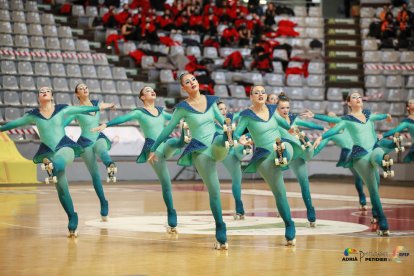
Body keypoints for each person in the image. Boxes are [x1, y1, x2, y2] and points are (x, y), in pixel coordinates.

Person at [0, 87, 114, 237]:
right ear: (39, 97)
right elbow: (11, 125)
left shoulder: (62, 109)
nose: (44, 92)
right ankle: (72, 215)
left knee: (59, 160)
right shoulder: (33, 115)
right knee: (61, 189)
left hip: (65, 146)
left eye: (47, 91)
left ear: (52, 96)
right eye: (41, 91)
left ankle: (52, 166)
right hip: (48, 150)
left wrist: (100, 107)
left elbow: (87, 109)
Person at [148, 73, 230, 250]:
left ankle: (229, 143)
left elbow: (224, 123)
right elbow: (168, 129)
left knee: (221, 137)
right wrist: (154, 148)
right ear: (183, 88)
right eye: (187, 82)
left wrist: (239, 136)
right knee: (214, 191)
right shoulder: (182, 108)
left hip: (217, 143)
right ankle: (220, 226)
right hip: (200, 150)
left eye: (193, 79)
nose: (192, 82)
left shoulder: (210, 101)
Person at [92, 86, 185, 232]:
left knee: (174, 142)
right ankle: (171, 211)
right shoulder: (139, 112)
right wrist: (106, 124)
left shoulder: (161, 112)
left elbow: (175, 117)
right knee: (166, 182)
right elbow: (123, 118)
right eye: (147, 91)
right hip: (152, 149)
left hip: (165, 142)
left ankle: (183, 141)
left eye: (152, 90)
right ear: (142, 97)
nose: (152, 91)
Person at [313, 92, 393, 236]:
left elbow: (379, 116)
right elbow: (334, 129)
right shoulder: (346, 120)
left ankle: (385, 162)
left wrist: (386, 116)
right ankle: (382, 221)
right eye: (354, 97)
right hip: (360, 155)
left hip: (373, 150)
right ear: (349, 103)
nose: (358, 99)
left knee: (379, 152)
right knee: (373, 189)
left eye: (359, 97)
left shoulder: (369, 115)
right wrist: (321, 136)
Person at [233, 85, 299, 246]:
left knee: (286, 146)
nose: (261, 94)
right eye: (257, 93)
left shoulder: (272, 110)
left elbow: (287, 126)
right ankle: (289, 223)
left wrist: (291, 125)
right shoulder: (247, 116)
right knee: (280, 193)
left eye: (263, 92)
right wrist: (240, 139)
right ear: (251, 97)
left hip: (280, 148)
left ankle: (281, 155)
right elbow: (236, 133)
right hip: (263, 156)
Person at [64, 83, 116, 221]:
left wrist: (111, 105)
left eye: (86, 87)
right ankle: (103, 202)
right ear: (77, 94)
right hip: (85, 142)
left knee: (102, 148)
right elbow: (65, 122)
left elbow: (106, 105)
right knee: (95, 175)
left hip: (98, 136)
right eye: (80, 88)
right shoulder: (77, 110)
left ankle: (110, 164)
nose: (84, 89)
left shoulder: (96, 103)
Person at [301, 110, 367, 210]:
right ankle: (363, 197)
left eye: (333, 120)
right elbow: (320, 146)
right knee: (359, 174)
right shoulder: (330, 133)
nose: (332, 123)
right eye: (330, 122)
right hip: (348, 154)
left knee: (358, 177)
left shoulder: (344, 124)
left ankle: (362, 199)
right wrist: (309, 155)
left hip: (357, 149)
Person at [277, 93, 322, 226]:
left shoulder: (293, 119)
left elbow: (312, 125)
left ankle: (310, 210)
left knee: (304, 183)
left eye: (287, 108)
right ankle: (286, 208)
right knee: (295, 184)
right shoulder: (274, 121)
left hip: (300, 154)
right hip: (287, 154)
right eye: (282, 108)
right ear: (277, 109)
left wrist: (325, 129)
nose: (285, 110)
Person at [216, 101, 245, 219]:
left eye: (224, 109)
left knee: (238, 179)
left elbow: (240, 114)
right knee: (236, 177)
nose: (223, 111)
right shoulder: (213, 125)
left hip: (235, 148)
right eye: (220, 109)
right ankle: (239, 207)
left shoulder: (229, 121)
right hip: (225, 152)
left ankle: (239, 208)